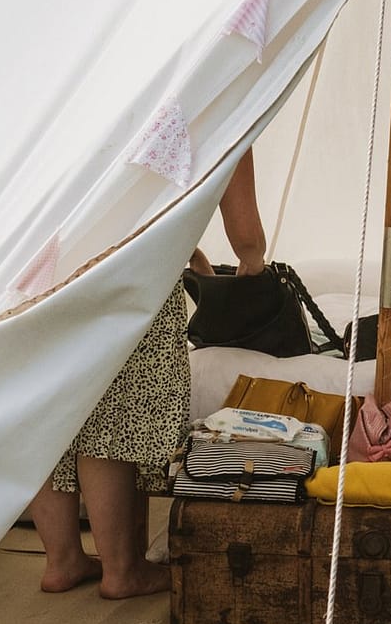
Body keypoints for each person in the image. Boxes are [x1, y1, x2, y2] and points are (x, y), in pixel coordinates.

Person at [28, 150, 269, 596]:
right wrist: (251, 267)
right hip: (128, 274)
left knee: (47, 417)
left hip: (42, 266)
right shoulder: (213, 101)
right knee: (112, 418)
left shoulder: (82, 96)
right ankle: (123, 571)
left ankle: (62, 560)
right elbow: (246, 237)